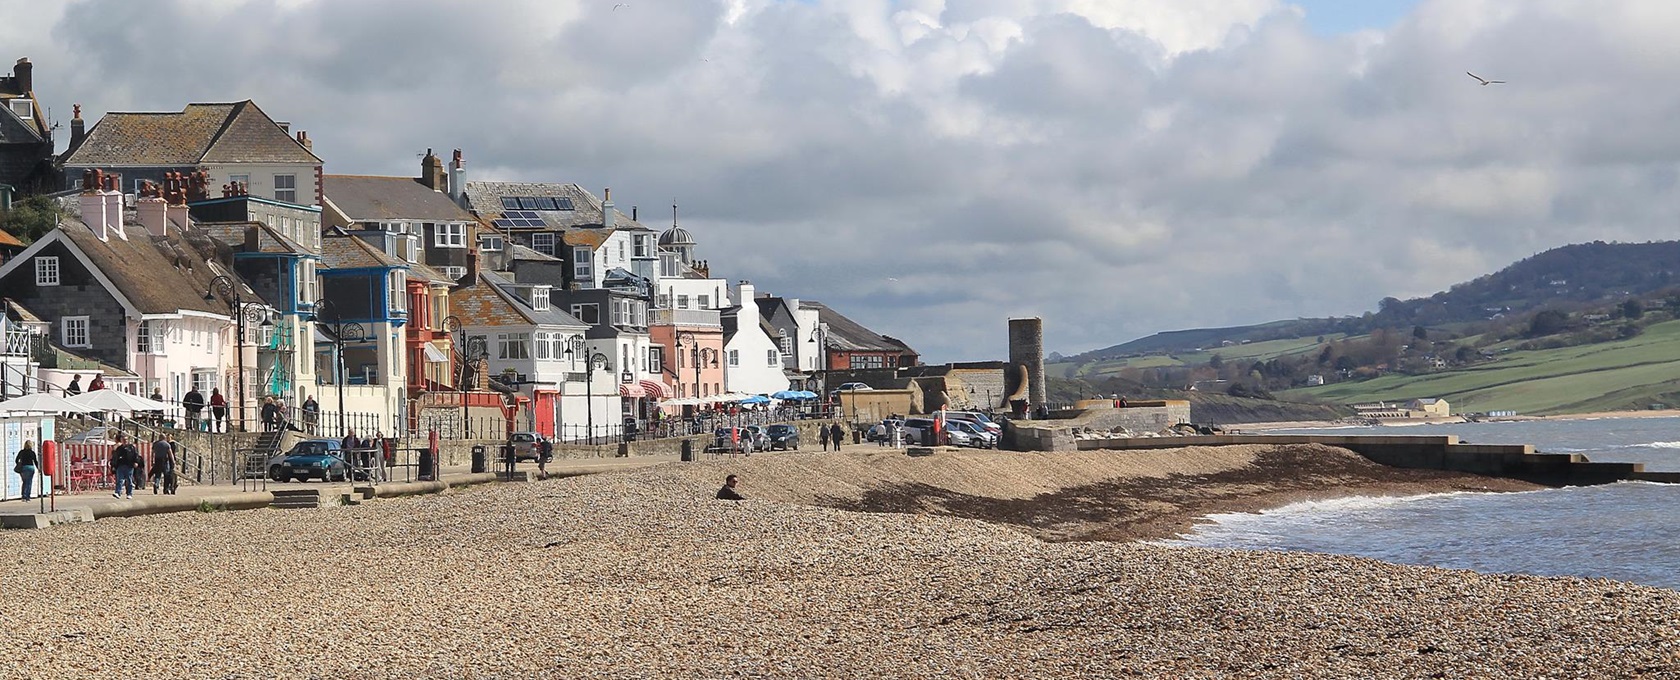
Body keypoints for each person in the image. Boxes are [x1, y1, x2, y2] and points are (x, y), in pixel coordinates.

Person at [110, 433, 139, 499]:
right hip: (120, 466)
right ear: (121, 440)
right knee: (119, 480)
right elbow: (115, 457)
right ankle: (118, 492)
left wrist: (136, 462)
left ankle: (129, 494)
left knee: (129, 480)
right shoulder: (119, 448)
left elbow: (136, 455)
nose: (125, 441)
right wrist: (113, 465)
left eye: (126, 439)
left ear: (128, 440)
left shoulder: (132, 447)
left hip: (129, 466)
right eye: (123, 440)